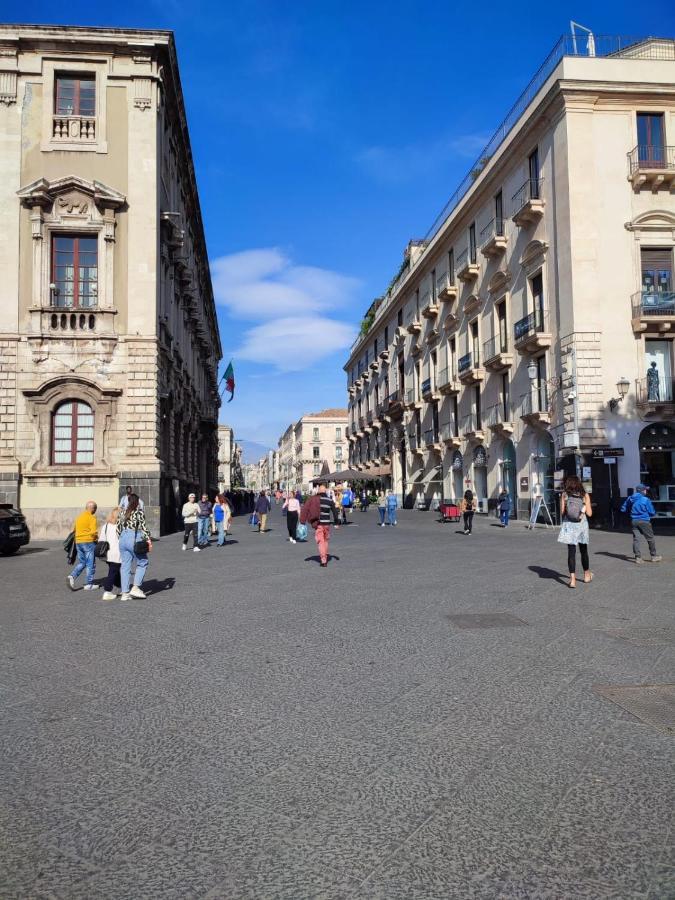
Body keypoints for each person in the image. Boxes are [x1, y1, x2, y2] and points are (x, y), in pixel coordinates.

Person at [558, 475, 593, 588]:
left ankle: (572, 580)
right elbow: (590, 514)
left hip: (569, 526)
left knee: (571, 553)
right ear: (578, 483)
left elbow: (562, 512)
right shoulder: (584, 495)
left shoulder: (564, 495)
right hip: (581, 525)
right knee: (583, 551)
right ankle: (587, 575)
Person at [116, 493, 152, 601]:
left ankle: (125, 592)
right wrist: (148, 540)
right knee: (143, 561)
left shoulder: (122, 512)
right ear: (137, 502)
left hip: (122, 538)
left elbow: (117, 528)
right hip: (134, 537)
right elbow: (143, 527)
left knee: (125, 565)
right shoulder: (138, 512)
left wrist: (122, 538)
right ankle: (136, 587)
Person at [300, 483, 340, 567]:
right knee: (325, 540)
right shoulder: (329, 500)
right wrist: (336, 522)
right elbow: (335, 512)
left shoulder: (313, 499)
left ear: (319, 490)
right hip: (327, 524)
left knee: (320, 541)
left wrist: (302, 521)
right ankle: (325, 554)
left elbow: (305, 509)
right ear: (325, 491)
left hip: (319, 523)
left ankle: (323, 560)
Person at [621, 484, 662, 564]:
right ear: (642, 491)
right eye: (645, 490)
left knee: (636, 539)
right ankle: (654, 556)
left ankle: (638, 558)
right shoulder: (645, 499)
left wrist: (631, 511)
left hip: (634, 521)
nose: (646, 491)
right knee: (650, 538)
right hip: (644, 521)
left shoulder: (630, 498)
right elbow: (651, 512)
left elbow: (623, 509)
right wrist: (652, 514)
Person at [67, 500, 99, 591]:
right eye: (95, 508)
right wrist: (97, 539)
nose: (95, 510)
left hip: (78, 542)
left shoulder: (79, 517)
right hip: (88, 542)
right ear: (93, 509)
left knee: (82, 562)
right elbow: (93, 532)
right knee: (90, 564)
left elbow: (75, 530)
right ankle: (89, 584)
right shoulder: (92, 518)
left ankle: (72, 576)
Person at [100, 507, 122, 600]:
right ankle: (107, 591)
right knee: (112, 572)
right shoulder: (120, 526)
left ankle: (121, 587)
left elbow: (101, 539)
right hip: (117, 553)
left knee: (114, 571)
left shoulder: (106, 526)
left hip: (108, 553)